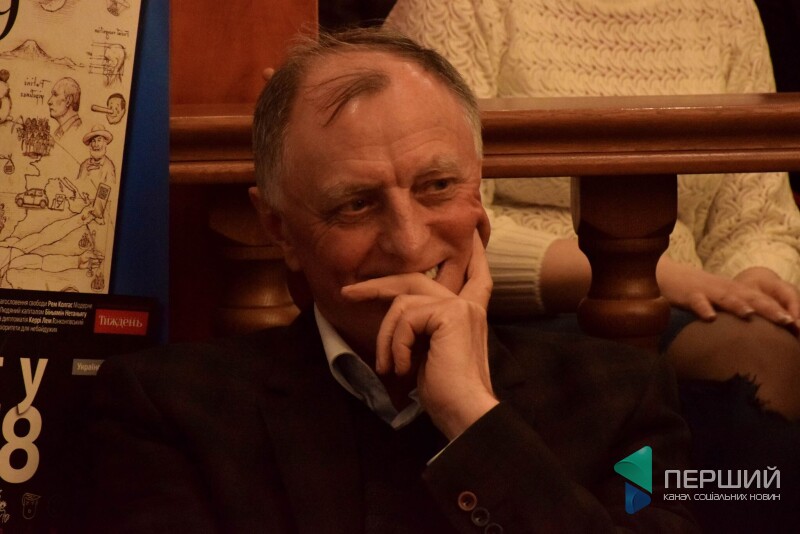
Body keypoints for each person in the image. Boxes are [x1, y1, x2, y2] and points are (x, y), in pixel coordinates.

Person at [86, 28, 697, 532]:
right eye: (356, 204)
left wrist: (474, 420)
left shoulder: (622, 396)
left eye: (437, 187)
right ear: (280, 230)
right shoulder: (169, 409)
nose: (408, 242)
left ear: (479, 196)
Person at [386, 0, 800, 419]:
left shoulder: (727, 9)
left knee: (764, 356)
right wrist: (642, 273)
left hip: (687, 306)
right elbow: (429, 226)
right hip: (513, 314)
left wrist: (754, 278)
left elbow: (756, 216)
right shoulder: (458, 6)